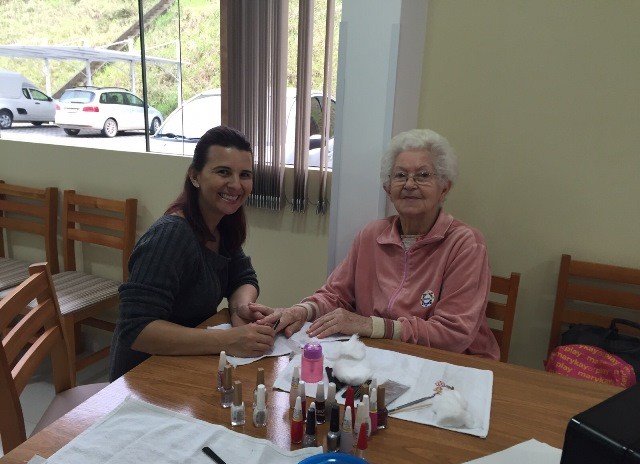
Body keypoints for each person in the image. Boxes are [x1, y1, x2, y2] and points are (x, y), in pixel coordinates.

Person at [253, 128, 499, 360]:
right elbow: (335, 295)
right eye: (400, 175)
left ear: (444, 188)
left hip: (452, 366)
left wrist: (371, 325)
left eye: (423, 175)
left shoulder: (465, 244)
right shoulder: (371, 236)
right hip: (380, 357)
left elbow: (453, 334)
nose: (409, 184)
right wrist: (302, 311)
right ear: (388, 189)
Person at [109, 126, 275, 380]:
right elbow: (136, 329)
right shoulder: (171, 235)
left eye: (245, 175)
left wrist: (241, 307)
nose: (236, 185)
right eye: (223, 172)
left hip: (187, 362)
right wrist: (228, 340)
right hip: (142, 375)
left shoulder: (223, 224)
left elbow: (242, 277)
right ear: (195, 176)